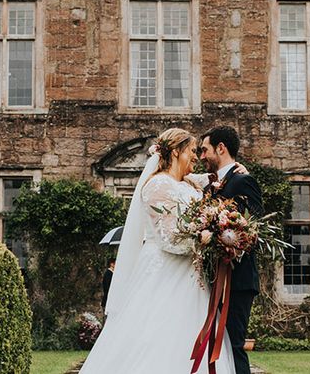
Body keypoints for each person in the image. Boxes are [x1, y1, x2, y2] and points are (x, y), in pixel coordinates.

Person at [80, 128, 238, 374]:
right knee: (156, 337)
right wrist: (203, 240)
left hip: (191, 278)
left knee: (191, 334)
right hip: (164, 272)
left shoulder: (187, 182)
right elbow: (169, 240)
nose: (195, 157)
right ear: (176, 151)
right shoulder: (156, 185)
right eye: (191, 151)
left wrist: (238, 172)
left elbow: (216, 179)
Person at [198, 126, 263, 374]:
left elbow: (259, 229)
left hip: (238, 280)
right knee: (213, 345)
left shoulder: (244, 181)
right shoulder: (208, 189)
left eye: (205, 150)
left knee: (234, 345)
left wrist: (229, 242)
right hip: (211, 278)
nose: (202, 156)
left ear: (221, 148)